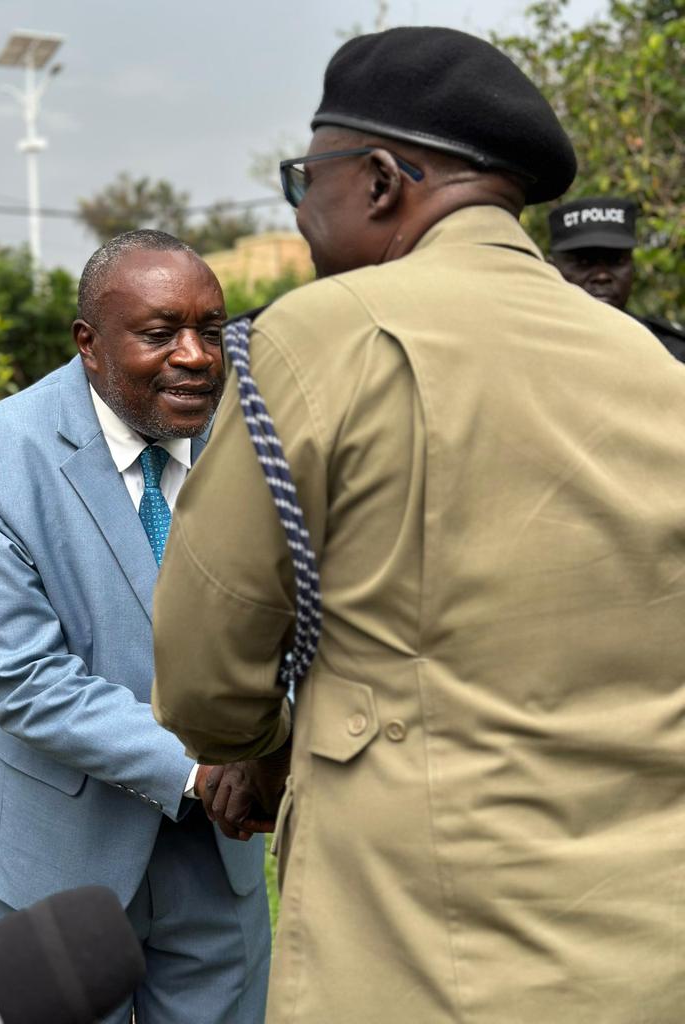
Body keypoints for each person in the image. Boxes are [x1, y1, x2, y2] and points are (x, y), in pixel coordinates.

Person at [151, 27, 685, 1024]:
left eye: (306, 180)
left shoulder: (320, 334)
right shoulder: (650, 364)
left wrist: (258, 746)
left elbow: (202, 671)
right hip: (649, 949)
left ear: (381, 181)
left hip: (426, 952)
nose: (302, 213)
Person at [0, 230, 270, 1024]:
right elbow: (23, 678)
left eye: (211, 329)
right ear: (88, 344)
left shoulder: (261, 442)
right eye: (160, 333)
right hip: (53, 861)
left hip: (215, 863)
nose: (196, 356)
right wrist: (202, 768)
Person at [549, 195, 685, 361]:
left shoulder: (670, 353)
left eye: (616, 261)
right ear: (552, 268)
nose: (602, 276)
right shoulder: (533, 344)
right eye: (584, 262)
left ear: (632, 265)